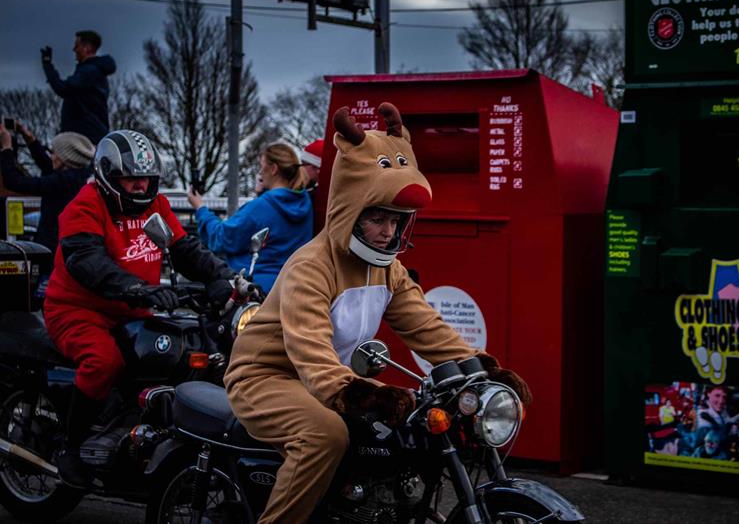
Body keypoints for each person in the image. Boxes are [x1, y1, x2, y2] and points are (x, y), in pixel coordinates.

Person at [223, 103, 532, 524]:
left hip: (333, 380)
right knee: (325, 435)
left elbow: (427, 326)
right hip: (269, 377)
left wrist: (479, 370)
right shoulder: (313, 266)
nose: (388, 232)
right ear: (352, 211)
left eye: (397, 221)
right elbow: (309, 349)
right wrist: (364, 392)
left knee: (404, 436)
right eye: (377, 218)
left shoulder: (387, 268)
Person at [44, 129, 236, 489]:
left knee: (180, 352)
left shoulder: (156, 205)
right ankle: (69, 448)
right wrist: (138, 289)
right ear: (107, 177)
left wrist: (225, 278)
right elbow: (87, 262)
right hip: (77, 310)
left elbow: (184, 250)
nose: (140, 187)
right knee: (103, 361)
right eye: (130, 179)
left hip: (134, 309)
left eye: (146, 179)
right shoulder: (83, 206)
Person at [188, 141, 313, 294]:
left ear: (273, 169)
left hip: (255, 292)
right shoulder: (305, 203)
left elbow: (221, 237)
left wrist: (200, 208)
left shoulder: (262, 206)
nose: (260, 172)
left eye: (262, 166)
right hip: (290, 289)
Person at [0, 123, 94, 264]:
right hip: (64, 253)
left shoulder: (62, 182)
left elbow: (14, 182)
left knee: (44, 286)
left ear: (65, 158)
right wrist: (29, 138)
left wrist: (7, 148)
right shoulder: (77, 177)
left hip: (52, 255)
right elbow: (48, 166)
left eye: (54, 152)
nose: (51, 156)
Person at [41, 30, 116, 143]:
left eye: (77, 46)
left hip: (85, 138)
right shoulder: (94, 71)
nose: (74, 50)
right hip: (91, 135)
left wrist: (48, 66)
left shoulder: (89, 72)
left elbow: (63, 88)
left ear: (87, 48)